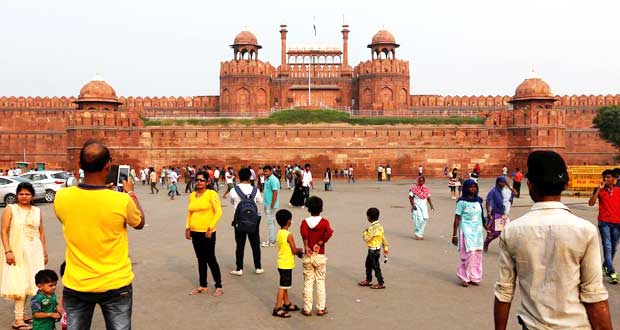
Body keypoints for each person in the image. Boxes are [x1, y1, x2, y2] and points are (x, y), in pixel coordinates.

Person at [494, 150, 612, 330]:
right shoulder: (584, 230)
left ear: (530, 185)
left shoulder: (512, 231)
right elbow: (595, 297)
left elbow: (504, 292)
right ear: (566, 184)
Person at [54, 140, 145, 330]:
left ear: (79, 165)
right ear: (108, 165)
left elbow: (74, 219)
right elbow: (140, 223)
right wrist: (131, 194)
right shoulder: (121, 200)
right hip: (116, 283)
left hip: (77, 283)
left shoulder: (62, 197)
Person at [1, 182, 47, 330]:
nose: (24, 197)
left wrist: (44, 252)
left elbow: (41, 232)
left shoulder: (37, 211)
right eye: (21, 194)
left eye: (27, 194)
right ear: (16, 195)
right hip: (17, 251)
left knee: (32, 283)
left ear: (32, 195)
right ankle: (18, 319)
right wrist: (8, 251)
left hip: (34, 251)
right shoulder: (11, 209)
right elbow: (4, 231)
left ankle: (24, 314)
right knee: (20, 282)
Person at [185, 171, 224, 297]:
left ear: (208, 182)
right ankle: (203, 285)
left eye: (202, 180)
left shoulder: (211, 194)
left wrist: (210, 227)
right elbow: (190, 213)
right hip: (195, 231)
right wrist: (187, 227)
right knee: (200, 259)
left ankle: (218, 285)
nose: (199, 182)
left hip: (207, 232)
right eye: (197, 180)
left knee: (210, 258)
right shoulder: (192, 195)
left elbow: (218, 212)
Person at [300, 196, 334, 316]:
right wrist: (320, 243)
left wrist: (306, 246)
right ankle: (321, 308)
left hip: (308, 255)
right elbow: (329, 233)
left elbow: (304, 235)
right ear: (321, 209)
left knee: (308, 282)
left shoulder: (305, 222)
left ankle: (307, 308)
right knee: (320, 281)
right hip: (320, 255)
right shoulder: (324, 222)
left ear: (308, 208)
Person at [451, 179, 487, 287]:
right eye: (471, 187)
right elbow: (457, 219)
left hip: (477, 232)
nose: (473, 189)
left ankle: (474, 277)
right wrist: (454, 235)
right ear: (466, 188)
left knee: (477, 255)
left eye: (474, 187)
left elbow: (481, 217)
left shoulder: (478, 201)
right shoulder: (461, 202)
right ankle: (464, 276)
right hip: (466, 231)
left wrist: (487, 229)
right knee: (469, 254)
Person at [229, 168, 263, 276]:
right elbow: (260, 201)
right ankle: (258, 267)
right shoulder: (255, 190)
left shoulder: (234, 190)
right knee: (255, 244)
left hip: (239, 221)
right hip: (253, 221)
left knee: (240, 245)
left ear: (239, 176)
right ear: (250, 177)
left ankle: (239, 268)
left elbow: (232, 202)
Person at [588, 169, 620, 284]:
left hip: (617, 223)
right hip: (604, 222)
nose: (605, 179)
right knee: (607, 246)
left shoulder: (618, 190)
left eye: (608, 177)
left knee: (614, 247)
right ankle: (612, 272)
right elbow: (591, 203)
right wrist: (598, 190)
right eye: (604, 177)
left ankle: (605, 267)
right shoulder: (599, 191)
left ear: (613, 179)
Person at [272, 209, 303, 318]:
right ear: (288, 221)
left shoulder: (280, 233)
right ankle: (277, 308)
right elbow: (294, 250)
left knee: (285, 285)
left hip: (281, 262)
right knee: (283, 286)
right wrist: (300, 250)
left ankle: (287, 303)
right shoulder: (289, 235)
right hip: (286, 264)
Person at [358, 207, 389, 289]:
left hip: (372, 250)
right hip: (377, 249)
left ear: (368, 217)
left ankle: (381, 282)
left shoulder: (371, 228)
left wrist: (364, 232)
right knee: (368, 264)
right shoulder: (380, 227)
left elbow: (367, 238)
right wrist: (385, 250)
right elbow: (383, 239)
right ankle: (368, 280)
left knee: (375, 266)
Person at [484, 176, 516, 252]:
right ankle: (486, 242)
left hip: (504, 214)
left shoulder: (506, 191)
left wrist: (508, 185)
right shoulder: (494, 191)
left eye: (504, 182)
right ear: (497, 182)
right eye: (501, 182)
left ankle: (504, 248)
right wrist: (488, 212)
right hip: (497, 214)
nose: (502, 184)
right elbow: (488, 202)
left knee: (506, 231)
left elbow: (515, 192)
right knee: (496, 233)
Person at [261, 166, 280, 248]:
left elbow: (275, 192)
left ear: (271, 171)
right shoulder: (268, 179)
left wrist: (272, 204)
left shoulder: (273, 179)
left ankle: (271, 241)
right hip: (268, 203)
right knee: (272, 222)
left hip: (271, 205)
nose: (265, 173)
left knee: (270, 223)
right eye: (264, 171)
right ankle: (273, 239)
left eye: (267, 171)